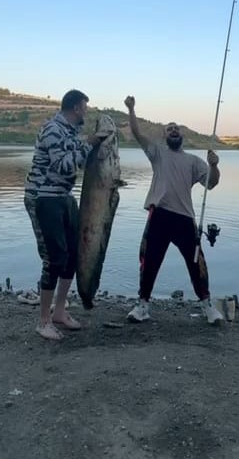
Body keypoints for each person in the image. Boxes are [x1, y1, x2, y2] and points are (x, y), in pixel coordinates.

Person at [124, 95, 223, 324]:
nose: (173, 131)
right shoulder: (157, 153)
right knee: (148, 261)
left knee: (197, 262)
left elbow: (212, 182)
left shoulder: (193, 161)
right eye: (169, 129)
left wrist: (214, 166)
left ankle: (207, 305)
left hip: (184, 219)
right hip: (159, 215)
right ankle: (143, 305)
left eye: (176, 128)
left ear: (182, 135)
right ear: (164, 136)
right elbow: (138, 135)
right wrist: (131, 109)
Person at [24, 89, 106, 340]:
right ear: (77, 108)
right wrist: (89, 142)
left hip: (63, 196)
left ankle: (59, 312)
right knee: (54, 259)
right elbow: (64, 164)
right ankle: (43, 321)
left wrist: (95, 145)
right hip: (44, 197)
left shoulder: (71, 132)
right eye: (85, 107)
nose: (87, 112)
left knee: (72, 256)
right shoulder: (52, 129)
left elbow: (78, 159)